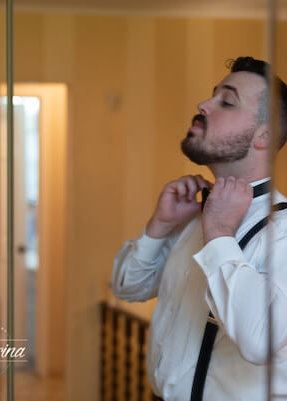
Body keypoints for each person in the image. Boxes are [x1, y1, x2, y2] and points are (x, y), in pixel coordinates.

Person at [112, 56, 287, 401]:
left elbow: (261, 340)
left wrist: (220, 234)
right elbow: (127, 288)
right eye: (212, 95)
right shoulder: (195, 212)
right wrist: (159, 226)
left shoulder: (282, 231)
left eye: (226, 101)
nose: (203, 105)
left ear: (262, 135)